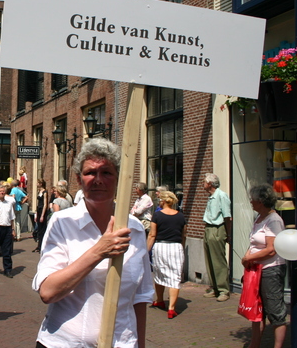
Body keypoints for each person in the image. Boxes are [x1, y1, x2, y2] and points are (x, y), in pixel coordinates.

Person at [33, 138, 153, 348]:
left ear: (118, 179)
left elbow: (140, 298)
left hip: (122, 343)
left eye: (106, 172)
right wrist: (99, 250)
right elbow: (48, 292)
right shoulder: (63, 224)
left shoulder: (134, 228)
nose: (98, 180)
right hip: (65, 343)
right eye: (90, 173)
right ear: (79, 180)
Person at [241, 184, 287, 348]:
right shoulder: (259, 218)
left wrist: (249, 258)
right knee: (256, 311)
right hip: (256, 270)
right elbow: (255, 243)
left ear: (261, 201)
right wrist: (248, 258)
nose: (251, 202)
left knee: (275, 311)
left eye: (253, 199)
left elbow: (271, 249)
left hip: (270, 270)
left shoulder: (273, 220)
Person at [146, 190, 187, 319]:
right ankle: (171, 308)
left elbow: (152, 234)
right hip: (176, 247)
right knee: (175, 276)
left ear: (162, 201)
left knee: (159, 273)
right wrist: (181, 246)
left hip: (161, 246)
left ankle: (159, 300)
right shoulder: (181, 216)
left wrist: (146, 250)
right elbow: (183, 234)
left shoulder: (157, 216)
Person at [202, 173, 232, 302]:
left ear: (210, 184)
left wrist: (228, 233)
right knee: (209, 260)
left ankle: (223, 290)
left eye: (204, 182)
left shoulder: (222, 196)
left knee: (218, 260)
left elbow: (227, 216)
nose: (203, 183)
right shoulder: (211, 197)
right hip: (208, 228)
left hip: (217, 228)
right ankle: (214, 288)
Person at [33, 179, 49, 253]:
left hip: (42, 211)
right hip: (38, 211)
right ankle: (39, 246)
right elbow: (37, 203)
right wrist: (36, 214)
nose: (36, 184)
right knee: (39, 229)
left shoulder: (45, 192)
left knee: (42, 229)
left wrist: (42, 215)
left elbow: (45, 204)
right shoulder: (39, 192)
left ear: (41, 184)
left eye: (38, 183)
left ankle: (42, 246)